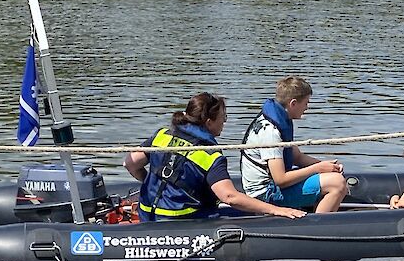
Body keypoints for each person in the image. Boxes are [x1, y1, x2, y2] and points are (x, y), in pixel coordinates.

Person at [124, 93, 305, 221]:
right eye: (223, 118)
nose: (224, 122)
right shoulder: (210, 154)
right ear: (209, 123)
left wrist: (148, 182)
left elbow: (130, 164)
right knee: (255, 216)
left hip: (147, 215)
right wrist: (275, 210)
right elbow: (229, 196)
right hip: (181, 221)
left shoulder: (162, 136)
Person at [240, 76, 347, 213]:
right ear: (293, 103)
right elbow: (280, 179)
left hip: (272, 186)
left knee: (334, 177)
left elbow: (297, 157)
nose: (307, 108)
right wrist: (317, 168)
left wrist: (328, 166)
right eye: (306, 103)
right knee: (337, 184)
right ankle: (317, 227)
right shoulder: (271, 132)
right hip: (264, 193)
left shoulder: (279, 120)